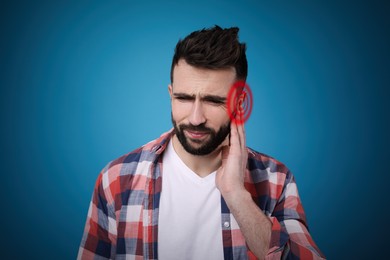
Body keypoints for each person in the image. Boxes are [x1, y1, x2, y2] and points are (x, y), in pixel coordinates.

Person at [78, 25, 325, 260]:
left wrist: (237, 195)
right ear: (170, 94)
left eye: (214, 101)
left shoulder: (276, 181)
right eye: (184, 98)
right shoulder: (116, 180)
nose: (196, 118)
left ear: (239, 104)